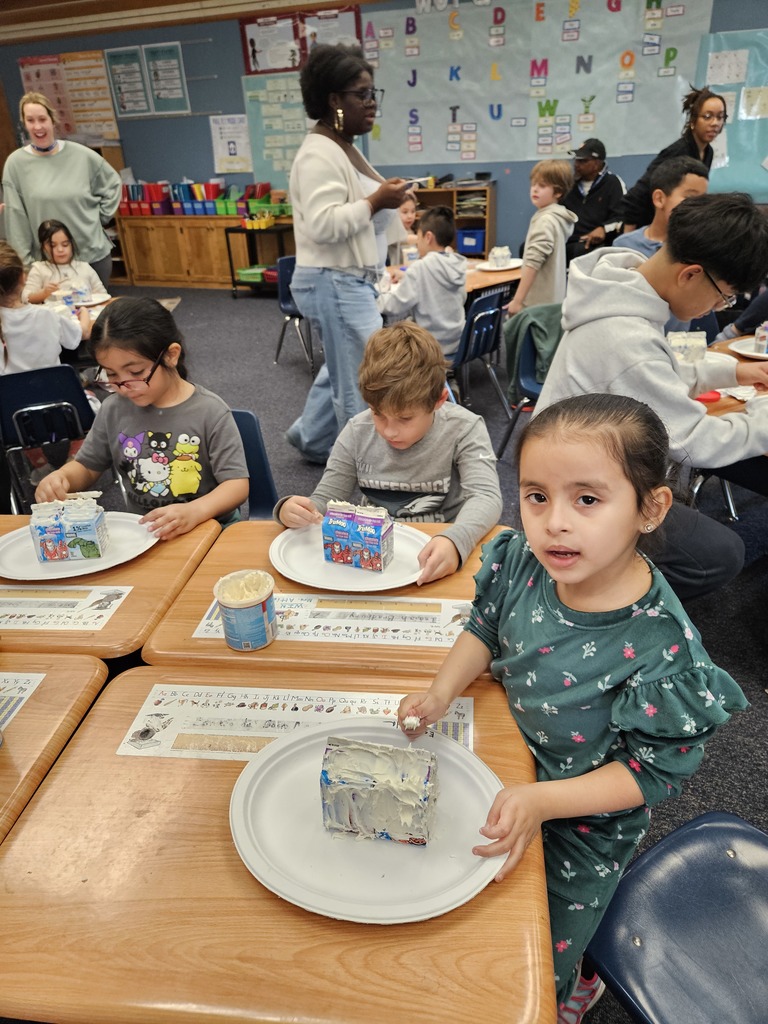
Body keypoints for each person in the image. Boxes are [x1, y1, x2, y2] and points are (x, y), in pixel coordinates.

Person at [397, 393, 747, 1024]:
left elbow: (651, 775)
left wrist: (541, 801)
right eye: (536, 495)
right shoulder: (522, 562)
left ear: (649, 508)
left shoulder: (661, 649)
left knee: (526, 962)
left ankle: (576, 982)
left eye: (587, 499)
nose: (553, 522)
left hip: (583, 824)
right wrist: (441, 691)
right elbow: (484, 624)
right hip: (503, 759)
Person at [536, 191, 768, 600]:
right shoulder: (625, 337)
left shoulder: (621, 283)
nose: (720, 305)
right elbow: (695, 441)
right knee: (722, 554)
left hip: (574, 467)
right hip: (575, 493)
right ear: (691, 274)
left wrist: (734, 369)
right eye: (723, 295)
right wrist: (762, 419)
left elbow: (659, 373)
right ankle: (597, 604)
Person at [275, 322, 503, 585]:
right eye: (377, 414)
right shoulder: (357, 431)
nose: (389, 431)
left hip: (439, 549)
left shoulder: (465, 428)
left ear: (438, 401)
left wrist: (456, 539)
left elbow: (486, 497)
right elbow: (326, 499)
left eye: (405, 418)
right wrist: (294, 510)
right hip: (370, 554)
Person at [285, 44, 411, 464]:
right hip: (335, 280)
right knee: (359, 380)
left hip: (344, 279)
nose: (372, 103)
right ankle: (364, 465)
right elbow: (322, 223)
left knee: (344, 367)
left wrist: (386, 199)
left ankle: (313, 439)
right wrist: (377, 200)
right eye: (363, 94)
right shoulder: (319, 153)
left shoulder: (341, 145)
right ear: (334, 100)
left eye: (374, 93)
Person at [34, 296, 249, 540]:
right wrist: (62, 478)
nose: (124, 386)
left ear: (170, 355)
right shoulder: (113, 409)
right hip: (147, 534)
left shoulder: (210, 411)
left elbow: (236, 485)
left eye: (135, 372)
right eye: (112, 374)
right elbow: (88, 466)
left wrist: (194, 511)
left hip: (209, 530)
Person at [2, 92, 122, 289]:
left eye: (42, 119)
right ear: (24, 124)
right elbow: (16, 219)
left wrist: (98, 218)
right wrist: (24, 264)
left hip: (90, 255)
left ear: (53, 120)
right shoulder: (16, 164)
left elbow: (113, 184)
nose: (38, 126)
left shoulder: (82, 155)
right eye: (30, 120)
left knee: (98, 317)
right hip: (48, 265)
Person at [619, 86, 727, 234]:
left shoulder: (708, 152)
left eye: (720, 117)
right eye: (707, 116)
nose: (715, 123)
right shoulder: (678, 151)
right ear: (693, 121)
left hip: (676, 227)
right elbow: (638, 194)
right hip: (647, 227)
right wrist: (628, 239)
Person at [376, 206, 467, 358]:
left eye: (418, 238)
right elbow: (462, 297)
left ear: (428, 237)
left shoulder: (420, 268)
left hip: (430, 346)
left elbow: (395, 306)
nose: (417, 243)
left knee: (389, 338)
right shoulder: (457, 264)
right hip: (458, 342)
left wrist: (374, 297)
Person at [0, 239, 89, 374]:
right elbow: (81, 333)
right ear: (23, 278)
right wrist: (84, 312)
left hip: (9, 394)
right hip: (55, 392)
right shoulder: (48, 315)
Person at [505, 159, 577, 315]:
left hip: (536, 308)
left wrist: (517, 301)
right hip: (552, 305)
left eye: (542, 186)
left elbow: (533, 262)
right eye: (533, 185)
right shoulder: (556, 217)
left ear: (558, 192)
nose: (535, 190)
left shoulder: (545, 220)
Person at [612, 156, 709, 258]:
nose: (700, 206)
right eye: (690, 198)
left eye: (703, 199)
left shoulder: (702, 246)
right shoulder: (624, 247)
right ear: (659, 199)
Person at [561, 139, 625, 264]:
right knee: (529, 247)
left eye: (582, 161)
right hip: (568, 240)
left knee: (581, 252)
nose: (576, 165)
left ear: (597, 163)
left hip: (594, 243)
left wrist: (603, 228)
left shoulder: (613, 183)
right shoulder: (569, 184)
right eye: (576, 160)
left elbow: (622, 216)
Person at [22, 219, 104, 304]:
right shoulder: (39, 269)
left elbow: (103, 295)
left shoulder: (84, 267)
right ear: (43, 248)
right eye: (52, 246)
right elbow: (25, 298)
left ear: (71, 244)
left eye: (65, 244)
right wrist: (44, 293)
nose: (60, 250)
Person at [387, 193, 418, 269]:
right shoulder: (391, 231)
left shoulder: (412, 230)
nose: (410, 216)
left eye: (413, 211)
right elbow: (405, 238)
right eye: (405, 212)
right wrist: (422, 239)